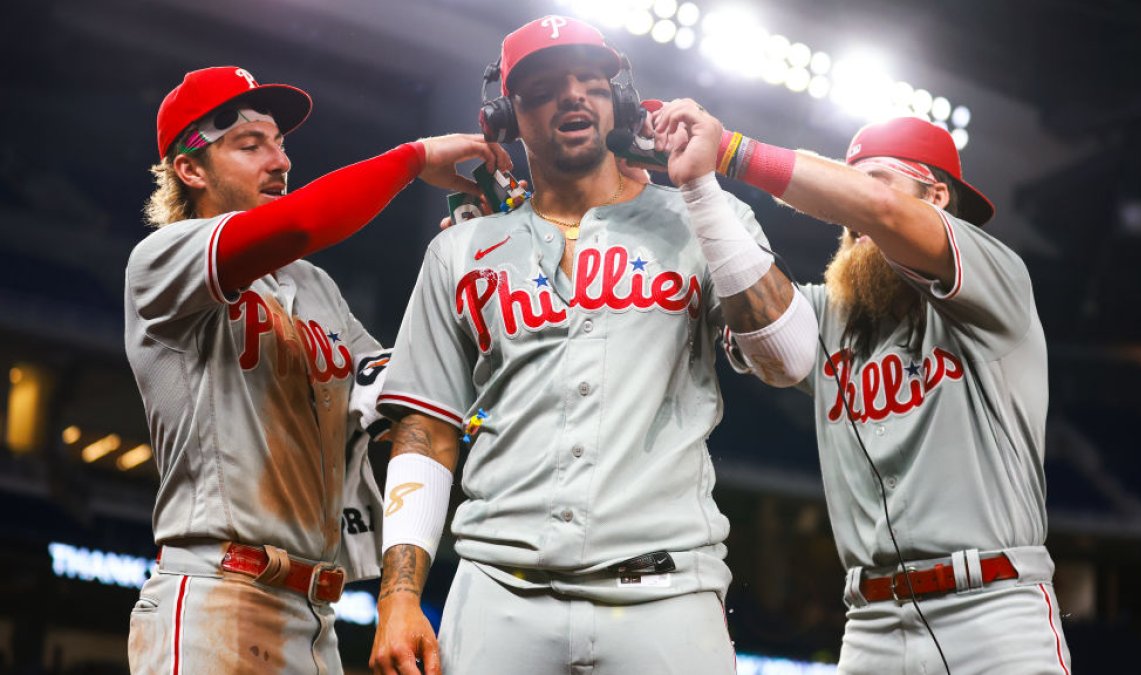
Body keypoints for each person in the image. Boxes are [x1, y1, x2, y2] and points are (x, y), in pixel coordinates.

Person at [367, 16, 818, 675]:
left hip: (666, 594)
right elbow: (425, 430)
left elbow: (792, 359)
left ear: (621, 101)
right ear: (508, 116)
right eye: (545, 87)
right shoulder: (461, 249)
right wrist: (398, 595)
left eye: (591, 81)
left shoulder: (700, 216)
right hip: (499, 591)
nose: (572, 95)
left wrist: (699, 188)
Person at [124, 65, 509, 674]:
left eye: (280, 144)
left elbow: (404, 389)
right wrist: (413, 158)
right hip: (213, 594)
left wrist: (480, 271)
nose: (279, 161)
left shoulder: (314, 287)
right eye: (250, 146)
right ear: (190, 169)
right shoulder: (164, 259)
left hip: (316, 615)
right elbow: (303, 222)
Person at [680, 110, 1072, 673]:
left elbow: (883, 211)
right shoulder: (830, 311)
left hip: (993, 611)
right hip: (870, 623)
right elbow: (767, 335)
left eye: (872, 181)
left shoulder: (996, 276)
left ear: (935, 195)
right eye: (846, 189)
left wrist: (732, 152)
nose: (848, 211)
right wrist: (691, 185)